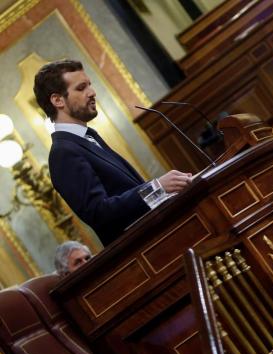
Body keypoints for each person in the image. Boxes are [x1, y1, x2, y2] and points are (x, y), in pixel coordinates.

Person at [34, 60, 192, 245]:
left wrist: (168, 192)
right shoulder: (63, 153)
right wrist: (156, 188)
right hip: (142, 249)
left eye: (90, 85)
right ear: (58, 100)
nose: (92, 92)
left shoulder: (89, 137)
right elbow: (99, 213)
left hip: (160, 235)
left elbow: (127, 193)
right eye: (81, 88)